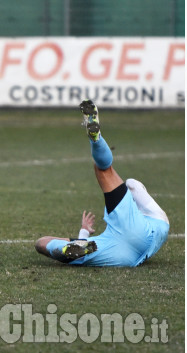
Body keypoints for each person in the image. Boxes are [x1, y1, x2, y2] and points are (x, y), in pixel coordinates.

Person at [35, 100, 170, 267]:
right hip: (147, 227)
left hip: (125, 254)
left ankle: (72, 246)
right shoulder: (93, 242)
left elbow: (42, 242)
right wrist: (82, 233)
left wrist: (83, 233)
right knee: (119, 178)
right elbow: (45, 242)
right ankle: (96, 140)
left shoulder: (96, 244)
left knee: (45, 244)